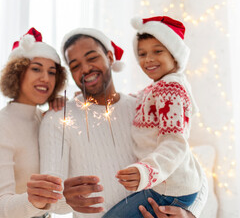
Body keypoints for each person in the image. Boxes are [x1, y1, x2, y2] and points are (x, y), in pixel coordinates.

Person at [38, 27, 208, 218]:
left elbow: (188, 167)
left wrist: (188, 214)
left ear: (110, 57)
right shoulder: (59, 118)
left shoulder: (142, 106)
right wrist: (63, 198)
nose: (85, 69)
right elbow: (48, 199)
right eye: (75, 65)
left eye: (92, 57)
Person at [103, 16, 204, 218]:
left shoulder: (171, 89)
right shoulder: (157, 87)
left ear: (174, 54)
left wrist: (146, 171)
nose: (148, 59)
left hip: (170, 189)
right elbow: (134, 99)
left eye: (157, 51)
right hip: (165, 184)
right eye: (142, 53)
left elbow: (174, 144)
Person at [0, 27, 68, 218]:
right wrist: (33, 201)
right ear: (17, 73)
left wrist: (64, 111)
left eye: (52, 72)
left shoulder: (46, 119)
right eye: (36, 69)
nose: (45, 78)